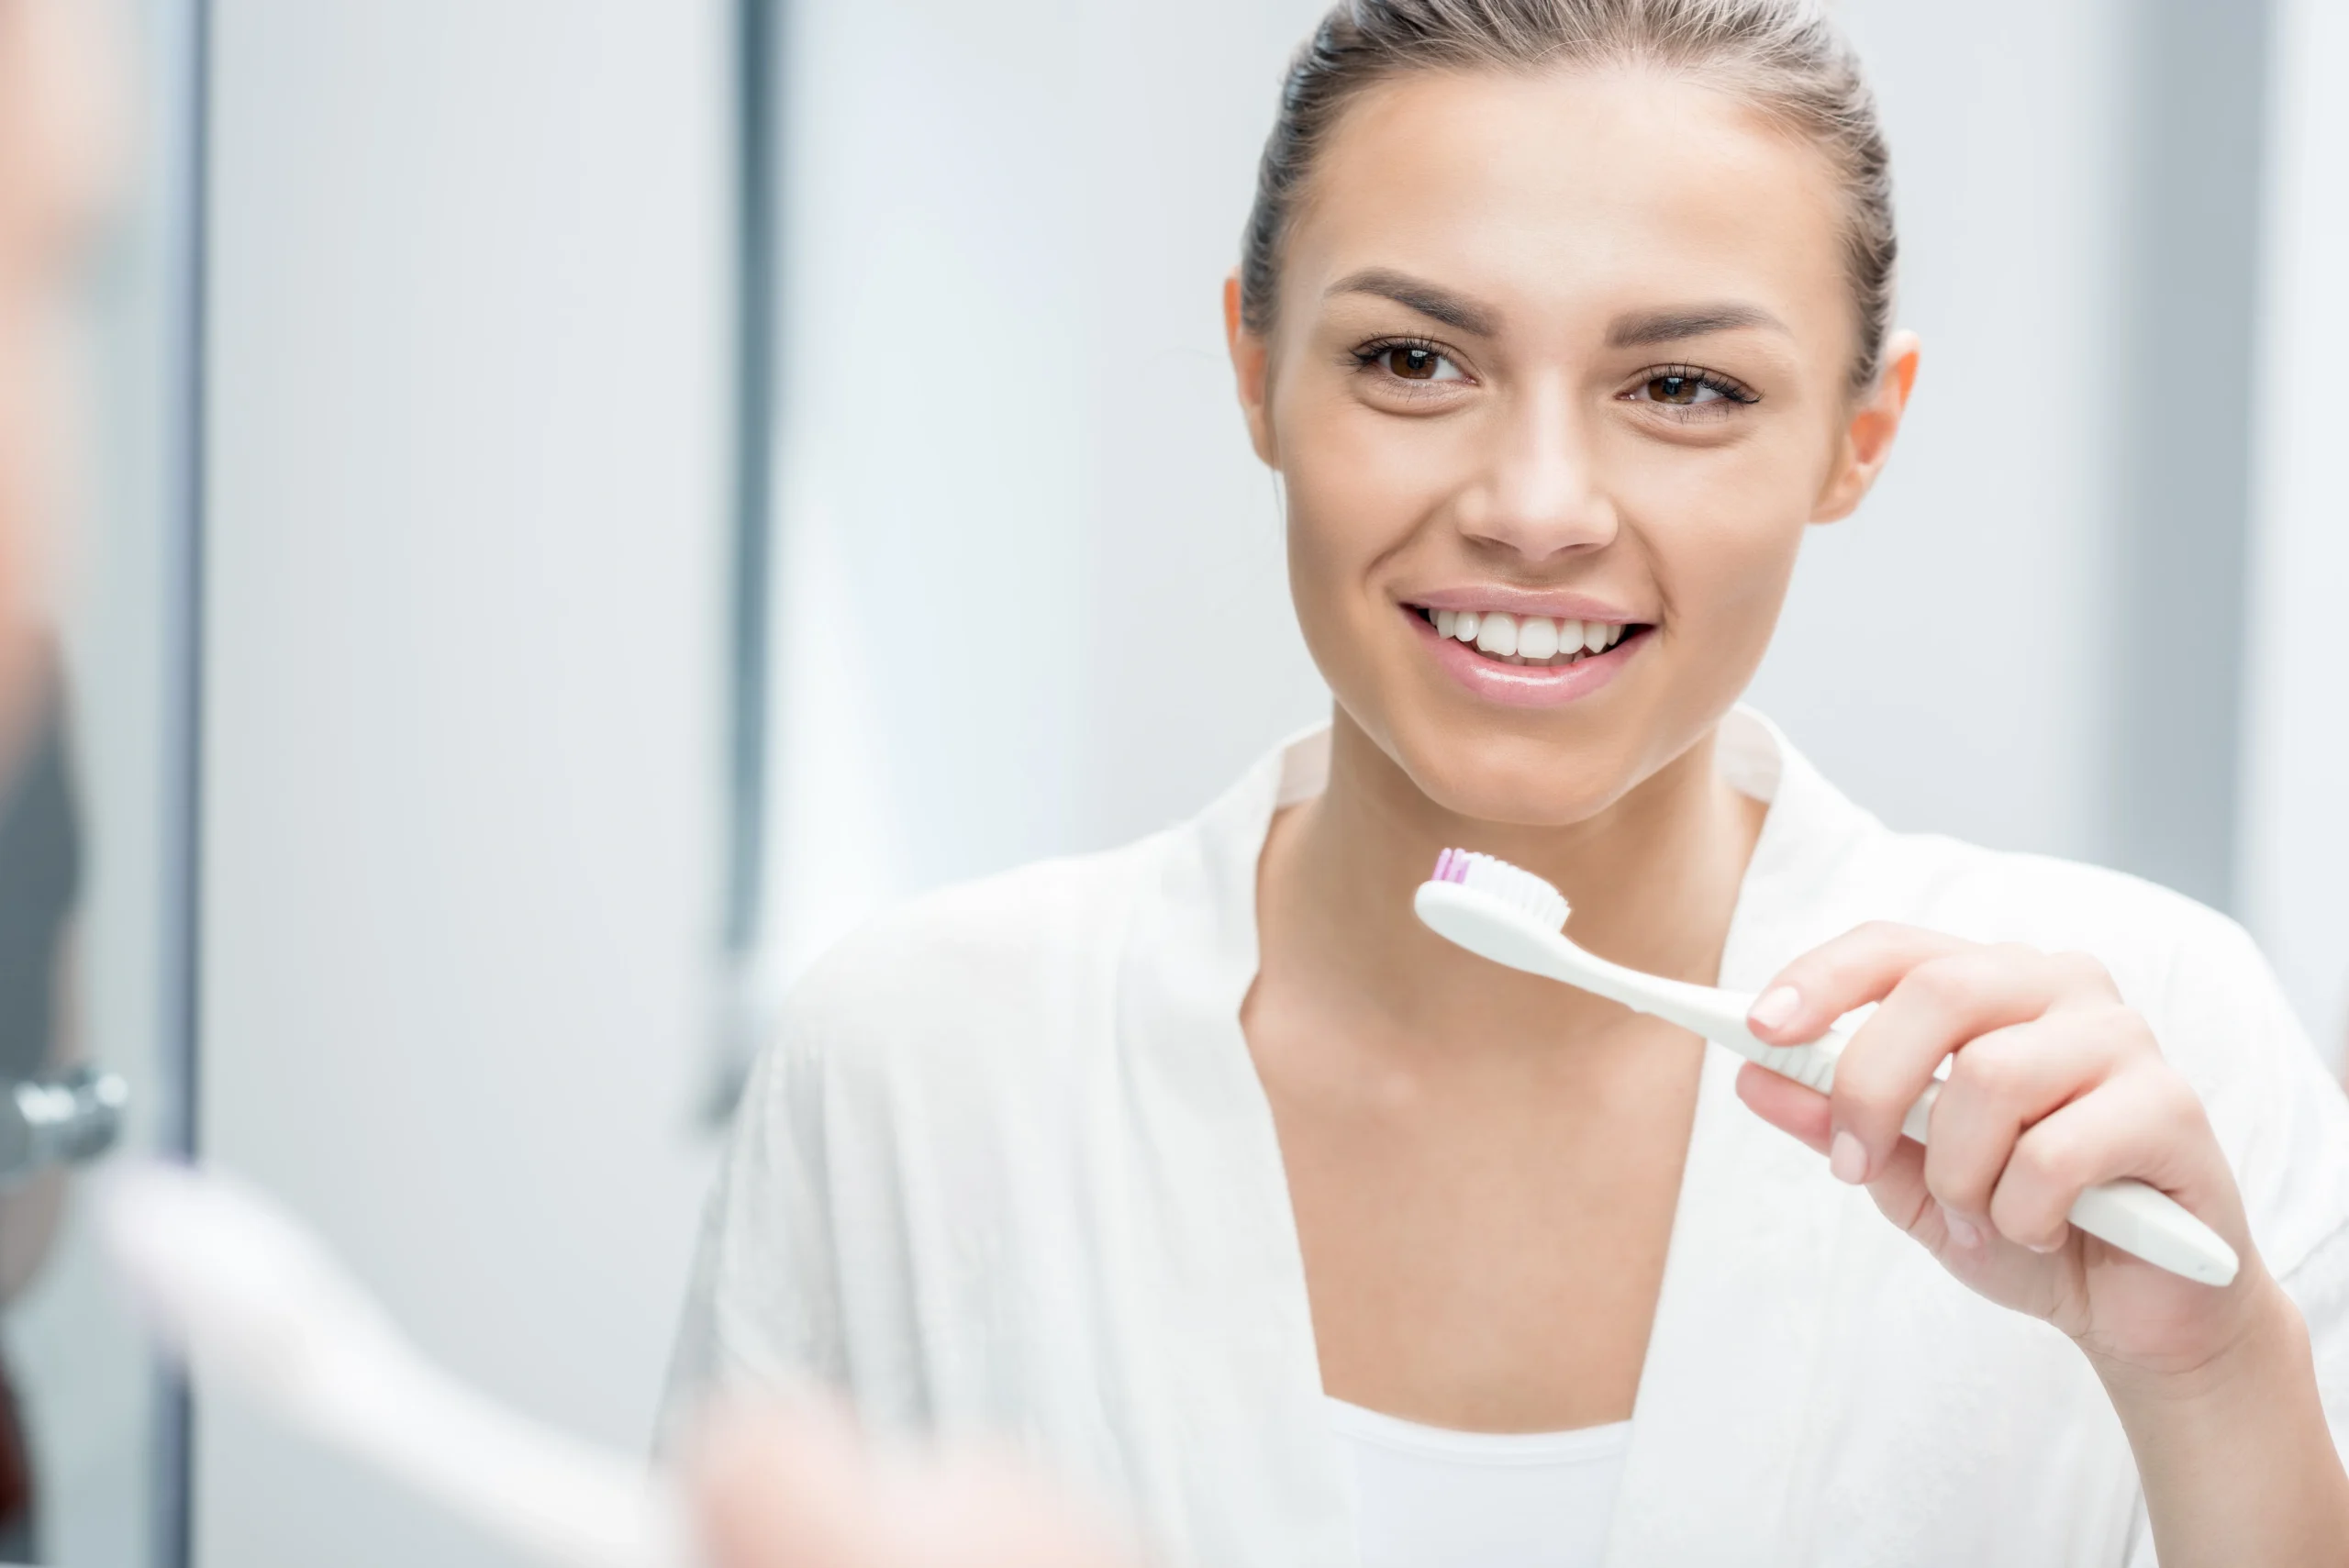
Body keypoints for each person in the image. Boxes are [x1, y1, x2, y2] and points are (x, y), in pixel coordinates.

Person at [666, 2, 2349, 1564]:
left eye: (1683, 387)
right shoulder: (918, 1065)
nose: (1538, 507)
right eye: (1414, 360)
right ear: (1254, 364)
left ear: (1861, 431)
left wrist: (2212, 1381)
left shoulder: (2136, 1067)